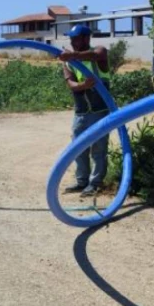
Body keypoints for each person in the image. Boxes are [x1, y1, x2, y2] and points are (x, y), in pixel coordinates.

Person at [58, 24, 111, 197]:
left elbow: (97, 55)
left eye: (76, 39)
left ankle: (95, 183)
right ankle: (82, 182)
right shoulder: (68, 62)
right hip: (81, 113)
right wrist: (83, 85)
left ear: (86, 39)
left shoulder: (99, 52)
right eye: (71, 39)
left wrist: (73, 55)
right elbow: (70, 84)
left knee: (98, 149)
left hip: (99, 111)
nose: (72, 42)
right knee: (78, 148)